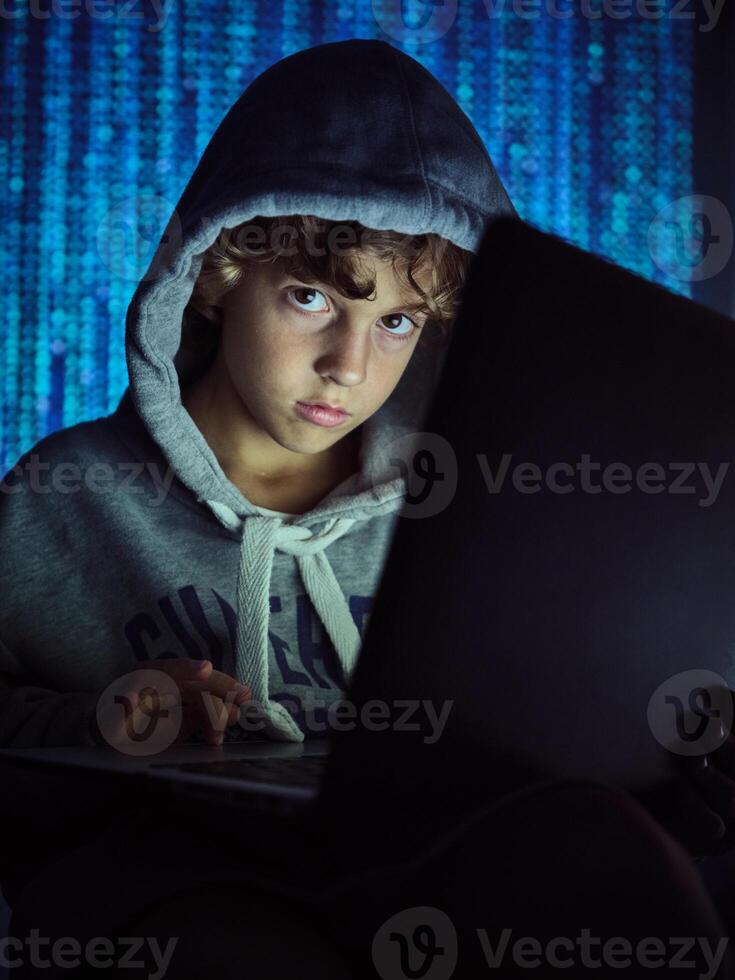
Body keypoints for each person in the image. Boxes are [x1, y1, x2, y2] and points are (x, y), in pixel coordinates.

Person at [2, 37, 735, 980]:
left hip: (420, 878)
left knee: (604, 850)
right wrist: (97, 724)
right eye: (309, 297)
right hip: (164, 892)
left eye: (396, 322)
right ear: (219, 278)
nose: (350, 368)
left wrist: (674, 777)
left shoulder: (473, 520)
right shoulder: (60, 499)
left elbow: (524, 750)